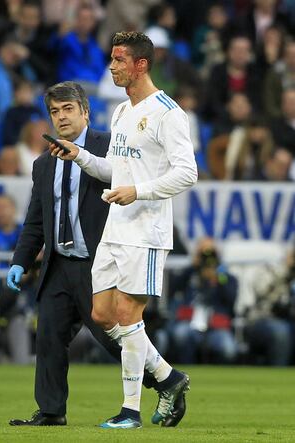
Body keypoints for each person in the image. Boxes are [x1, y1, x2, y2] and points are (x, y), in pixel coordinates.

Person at [6, 81, 182, 427]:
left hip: (98, 259)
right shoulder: (44, 164)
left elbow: (136, 180)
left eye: (68, 109)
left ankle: (165, 380)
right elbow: (35, 220)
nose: (61, 117)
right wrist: (20, 260)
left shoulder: (111, 145)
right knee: (49, 337)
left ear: (85, 111)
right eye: (55, 111)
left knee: (111, 336)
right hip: (58, 264)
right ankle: (52, 411)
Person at [50, 32, 198, 429]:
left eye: (119, 60)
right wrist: (79, 155)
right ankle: (169, 378)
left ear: (141, 65)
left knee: (130, 315)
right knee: (102, 313)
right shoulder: (119, 112)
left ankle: (130, 412)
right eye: (112, 59)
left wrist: (140, 191)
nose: (112, 67)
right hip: (115, 229)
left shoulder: (168, 113)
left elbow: (187, 172)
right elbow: (116, 171)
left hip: (147, 232)